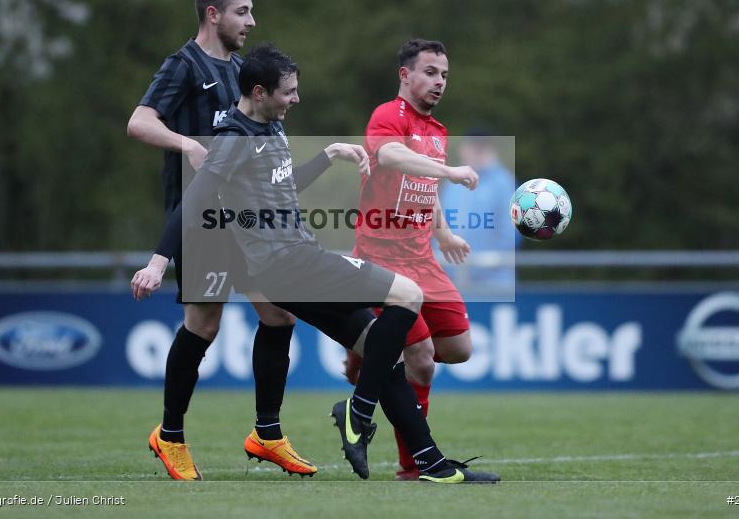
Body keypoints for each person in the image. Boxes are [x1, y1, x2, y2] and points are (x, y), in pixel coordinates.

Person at [132, 43, 498, 484]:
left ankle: (431, 465)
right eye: (289, 92)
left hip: (295, 264)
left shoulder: (269, 128)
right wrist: (157, 262)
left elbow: (283, 188)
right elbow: (194, 201)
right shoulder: (234, 138)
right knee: (409, 296)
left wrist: (327, 156)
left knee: (383, 357)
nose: (296, 99)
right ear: (260, 91)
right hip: (291, 265)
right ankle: (357, 411)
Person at [126, 0, 309, 481]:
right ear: (213, 15)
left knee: (279, 315)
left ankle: (267, 435)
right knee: (204, 326)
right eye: (243, 12)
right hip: (203, 219)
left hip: (248, 219)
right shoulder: (184, 65)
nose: (251, 21)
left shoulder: (245, 72)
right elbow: (138, 122)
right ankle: (170, 435)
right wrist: (185, 143)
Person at [348, 39, 481, 480]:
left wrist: (442, 231)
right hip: (381, 259)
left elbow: (424, 186)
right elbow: (390, 155)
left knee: (459, 349)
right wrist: (450, 172)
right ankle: (415, 464)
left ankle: (373, 361)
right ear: (405, 75)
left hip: (423, 259)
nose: (439, 81)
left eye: (444, 74)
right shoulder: (389, 115)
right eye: (429, 72)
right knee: (422, 356)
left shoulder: (437, 130)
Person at [438, 128, 521, 289]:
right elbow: (438, 223)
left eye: (479, 148)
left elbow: (511, 231)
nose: (473, 153)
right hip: (452, 280)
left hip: (494, 281)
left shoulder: (504, 183)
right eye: (470, 147)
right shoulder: (451, 184)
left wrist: (481, 263)